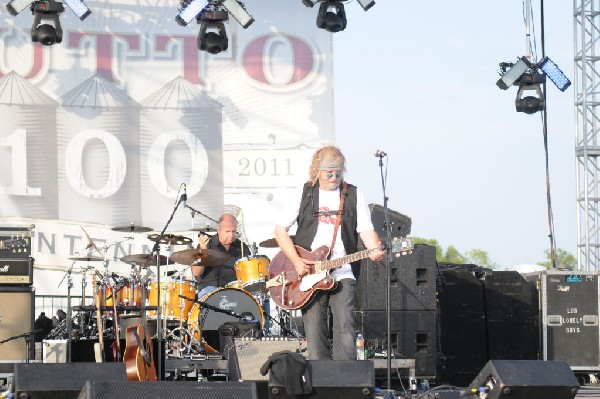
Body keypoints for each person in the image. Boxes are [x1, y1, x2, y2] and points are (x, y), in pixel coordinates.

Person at [274, 145, 385, 360]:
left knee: (345, 327)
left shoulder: (353, 194)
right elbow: (280, 232)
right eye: (329, 173)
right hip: (308, 273)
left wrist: (375, 249)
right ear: (317, 171)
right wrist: (297, 262)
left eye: (338, 172)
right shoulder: (304, 193)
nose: (334, 177)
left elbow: (365, 229)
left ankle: (346, 382)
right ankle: (321, 382)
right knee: (315, 332)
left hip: (342, 272)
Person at [192, 213, 251, 299]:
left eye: (234, 231)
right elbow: (196, 272)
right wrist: (203, 250)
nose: (231, 235)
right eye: (227, 231)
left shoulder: (242, 247)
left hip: (234, 290)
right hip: (210, 289)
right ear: (219, 230)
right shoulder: (207, 244)